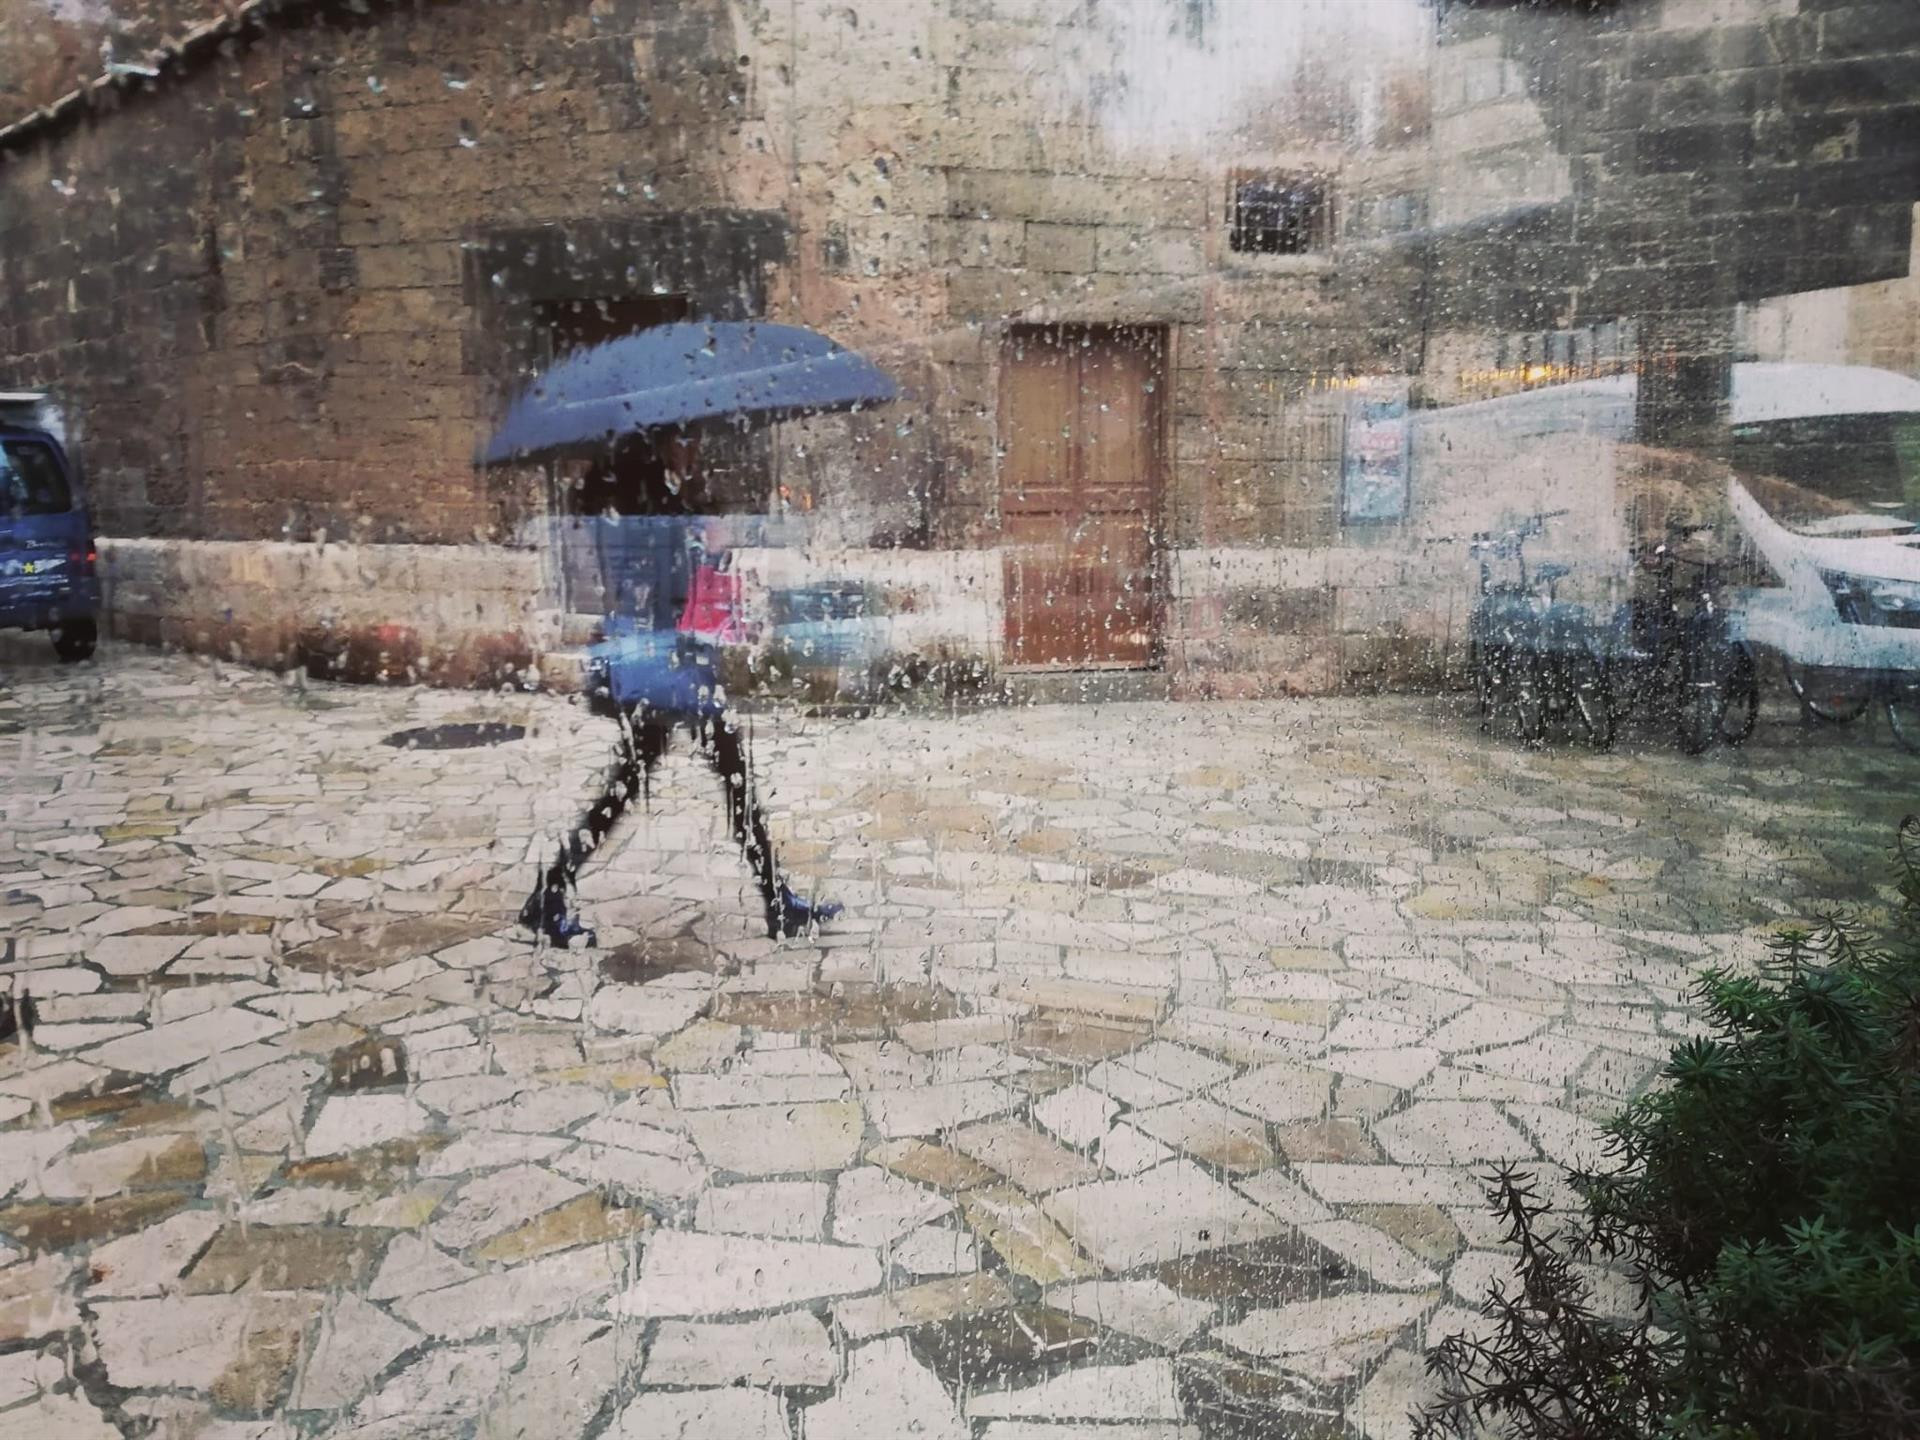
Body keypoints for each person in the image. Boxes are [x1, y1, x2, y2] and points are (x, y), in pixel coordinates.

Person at [520, 512, 839, 947]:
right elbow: (654, 592)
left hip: (666, 668)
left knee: (638, 785)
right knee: (724, 780)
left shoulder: (653, 513)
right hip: (665, 671)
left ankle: (549, 893)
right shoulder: (648, 516)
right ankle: (779, 905)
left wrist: (702, 548)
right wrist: (699, 546)